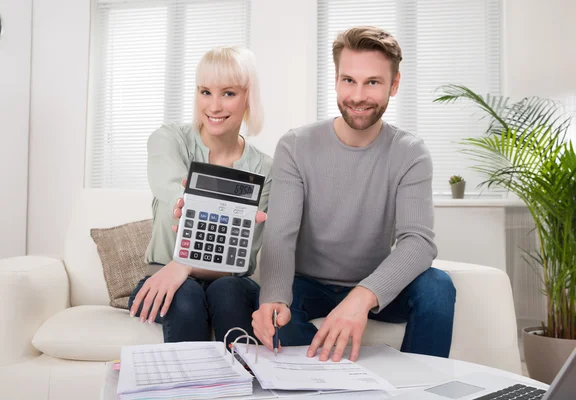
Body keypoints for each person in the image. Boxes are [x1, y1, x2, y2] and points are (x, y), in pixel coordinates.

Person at [251, 26, 456, 362]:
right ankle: (341, 384)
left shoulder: (411, 153)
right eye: (349, 80)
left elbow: (418, 241)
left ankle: (418, 388)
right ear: (336, 79)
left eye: (373, 82)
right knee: (273, 316)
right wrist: (273, 297)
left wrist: (363, 296)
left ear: (395, 84)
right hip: (306, 286)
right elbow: (280, 236)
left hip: (373, 283)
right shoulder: (295, 145)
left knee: (437, 287)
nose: (358, 95)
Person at [129, 46, 272, 345]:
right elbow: (174, 192)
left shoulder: (265, 169)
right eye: (205, 91)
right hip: (164, 275)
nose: (215, 106)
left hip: (228, 282)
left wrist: (184, 264)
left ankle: (245, 383)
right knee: (187, 293)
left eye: (228, 93)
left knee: (228, 291)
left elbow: (242, 259)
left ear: (248, 97)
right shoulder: (168, 140)